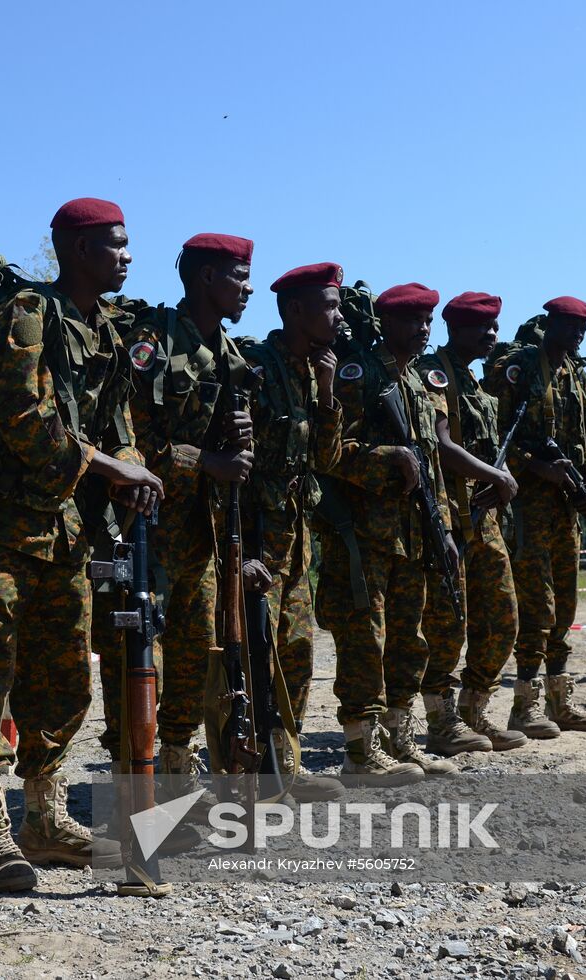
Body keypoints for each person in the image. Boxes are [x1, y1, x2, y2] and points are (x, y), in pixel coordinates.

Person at [0, 197, 163, 893]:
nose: (126, 255)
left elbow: (119, 425)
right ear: (75, 249)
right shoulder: (27, 316)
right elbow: (23, 419)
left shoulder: (107, 331)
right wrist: (108, 467)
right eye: (114, 244)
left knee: (63, 677)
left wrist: (130, 467)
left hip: (63, 531)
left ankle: (44, 816)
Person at [94, 233, 254, 795]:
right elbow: (127, 443)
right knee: (138, 659)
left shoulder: (231, 357)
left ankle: (178, 769)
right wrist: (206, 461)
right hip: (146, 530)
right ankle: (130, 783)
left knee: (192, 657)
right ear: (206, 277)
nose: (248, 289)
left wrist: (238, 446)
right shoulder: (153, 343)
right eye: (239, 277)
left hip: (202, 534)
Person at [314, 282, 457, 783]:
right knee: (364, 643)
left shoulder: (415, 382)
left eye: (428, 321)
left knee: (408, 640)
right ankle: (360, 750)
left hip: (413, 535)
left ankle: (399, 737)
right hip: (365, 537)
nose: (423, 329)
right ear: (386, 323)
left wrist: (444, 528)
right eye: (413, 321)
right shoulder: (360, 374)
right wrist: (387, 457)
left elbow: (430, 465)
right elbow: (329, 452)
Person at [238, 261, 348, 800]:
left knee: (297, 651)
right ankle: (246, 772)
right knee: (253, 657)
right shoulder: (255, 367)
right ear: (295, 310)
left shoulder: (313, 371)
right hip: (258, 538)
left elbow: (326, 460)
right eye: (329, 306)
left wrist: (326, 392)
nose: (339, 316)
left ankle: (286, 766)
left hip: (297, 540)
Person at [483, 296, 586, 734]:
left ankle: (560, 701)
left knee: (565, 605)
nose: (577, 335)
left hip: (567, 507)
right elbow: (494, 435)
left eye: (583, 329)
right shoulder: (517, 369)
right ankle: (525, 705)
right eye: (571, 327)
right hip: (527, 506)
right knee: (538, 606)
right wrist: (536, 467)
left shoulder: (576, 374)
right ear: (549, 324)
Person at [415, 293, 527, 750]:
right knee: (446, 627)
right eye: (482, 327)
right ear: (455, 329)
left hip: (484, 521)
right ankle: (441, 723)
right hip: (448, 520)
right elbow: (441, 446)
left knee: (503, 618)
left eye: (495, 327)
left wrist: (498, 478)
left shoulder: (476, 384)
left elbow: (484, 450)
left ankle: (474, 711)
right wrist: (497, 476)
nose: (491, 335)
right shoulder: (434, 374)